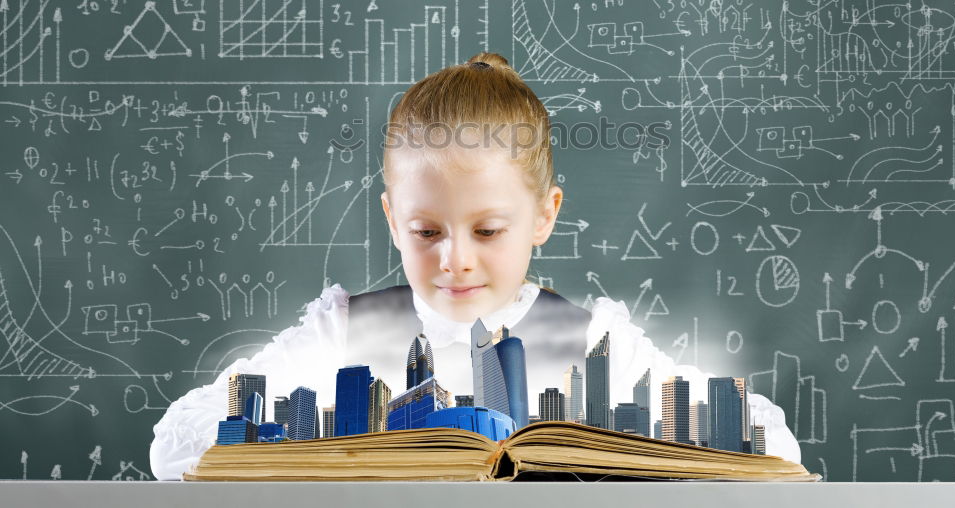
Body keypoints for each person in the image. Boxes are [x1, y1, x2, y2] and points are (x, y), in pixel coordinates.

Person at [149, 52, 800, 480]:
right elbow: (175, 444)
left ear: (544, 216)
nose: (454, 259)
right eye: (425, 231)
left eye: (487, 230)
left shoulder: (595, 341)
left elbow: (771, 443)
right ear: (390, 218)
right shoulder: (342, 332)